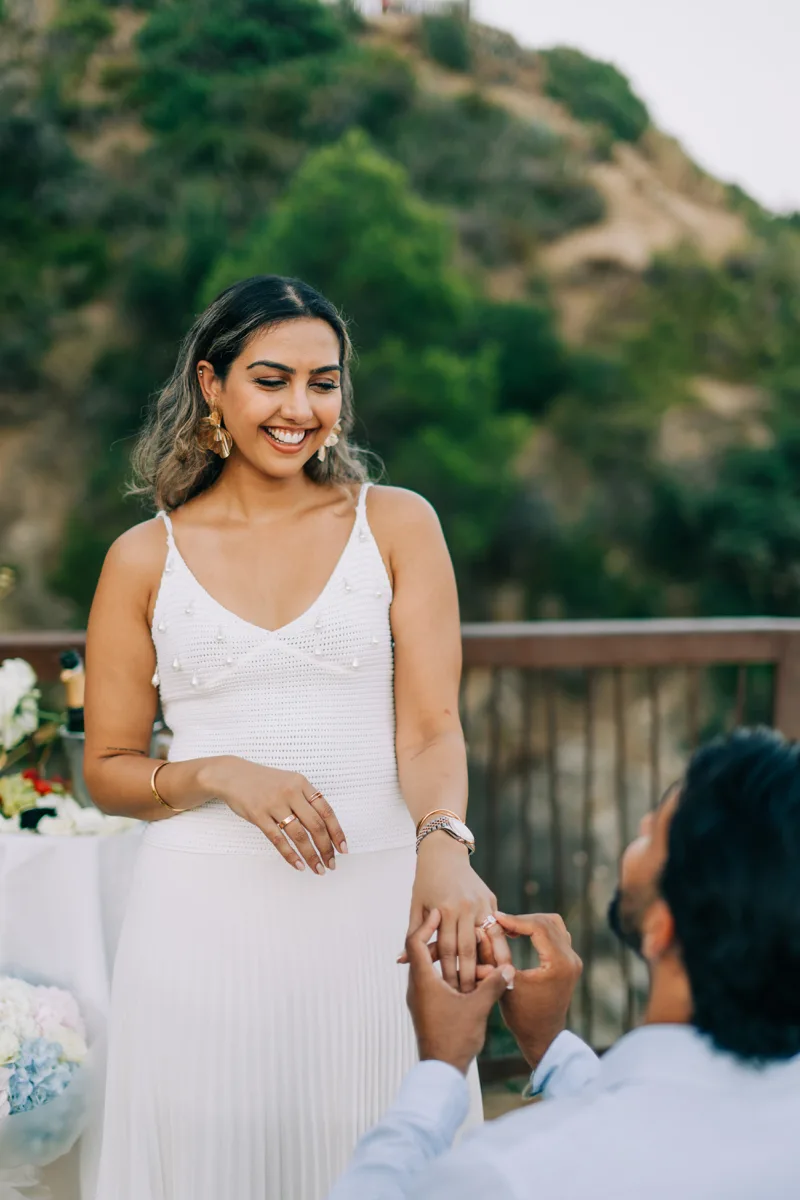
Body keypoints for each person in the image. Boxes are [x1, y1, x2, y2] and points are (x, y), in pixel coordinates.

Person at [84, 275, 510, 1200]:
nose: (300, 408)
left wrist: (444, 841)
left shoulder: (398, 526)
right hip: (200, 923)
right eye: (271, 380)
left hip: (374, 911)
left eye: (324, 382)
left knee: (380, 1135)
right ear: (212, 385)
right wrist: (220, 773)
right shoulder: (141, 558)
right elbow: (109, 771)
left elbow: (434, 723)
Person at [328, 727, 800, 1199]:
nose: (641, 826)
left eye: (656, 831)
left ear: (662, 927)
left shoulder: (510, 1174)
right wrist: (551, 1046)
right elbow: (661, 1130)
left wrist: (440, 1067)